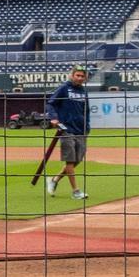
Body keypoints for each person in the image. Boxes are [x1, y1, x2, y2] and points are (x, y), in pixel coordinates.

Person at [44, 67, 91, 200]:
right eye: (78, 75)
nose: (80, 78)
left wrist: (87, 126)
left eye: (82, 76)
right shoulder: (64, 88)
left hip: (81, 130)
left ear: (85, 78)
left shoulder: (83, 92)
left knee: (77, 160)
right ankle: (76, 191)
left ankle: (54, 180)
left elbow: (86, 110)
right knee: (70, 160)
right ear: (72, 75)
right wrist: (53, 117)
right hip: (66, 129)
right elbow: (51, 104)